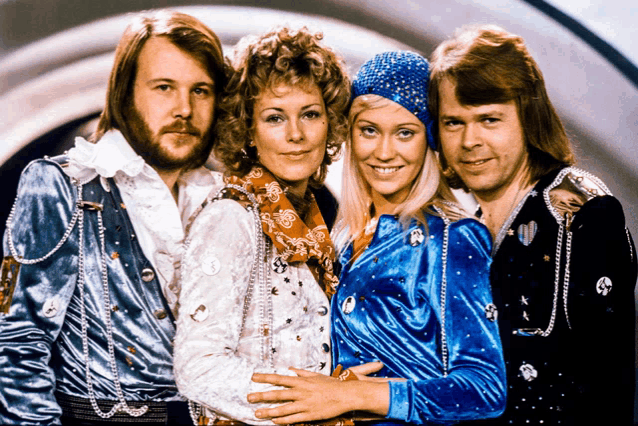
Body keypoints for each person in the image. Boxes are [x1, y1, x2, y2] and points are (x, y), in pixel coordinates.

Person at [246, 51, 506, 425]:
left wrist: (356, 395)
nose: (384, 152)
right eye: (369, 130)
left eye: (405, 132)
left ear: (429, 140)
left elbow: (485, 388)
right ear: (350, 135)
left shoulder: (453, 239)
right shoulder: (341, 238)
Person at [0, 10, 226, 425]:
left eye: (201, 91)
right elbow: (18, 346)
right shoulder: (61, 186)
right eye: (164, 87)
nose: (184, 108)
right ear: (126, 94)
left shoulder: (226, 201)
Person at [428, 25, 637, 425]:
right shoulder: (460, 234)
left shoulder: (581, 212)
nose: (470, 140)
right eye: (453, 122)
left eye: (489, 119)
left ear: (528, 116)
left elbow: (610, 387)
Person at [172, 27, 350, 425]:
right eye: (275, 118)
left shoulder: (317, 217)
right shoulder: (231, 218)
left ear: (330, 122)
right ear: (249, 131)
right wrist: (319, 401)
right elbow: (198, 369)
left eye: (310, 114)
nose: (296, 135)